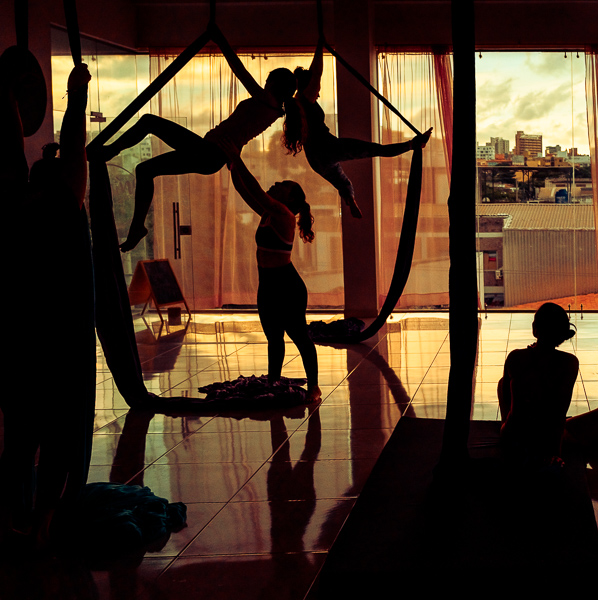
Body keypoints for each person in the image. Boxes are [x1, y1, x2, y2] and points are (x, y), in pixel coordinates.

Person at [95, 24, 302, 252]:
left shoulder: (267, 101)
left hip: (209, 154)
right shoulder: (273, 111)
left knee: (148, 121)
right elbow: (241, 134)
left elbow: (239, 70)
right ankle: (137, 228)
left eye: (267, 82)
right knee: (145, 169)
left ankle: (109, 152)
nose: (263, 85)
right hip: (210, 154)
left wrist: (219, 39)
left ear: (272, 84)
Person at [0, 57, 94, 546]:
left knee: (32, 432)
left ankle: (34, 519)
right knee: (33, 433)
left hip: (35, 333)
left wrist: (73, 93)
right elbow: (27, 147)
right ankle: (31, 518)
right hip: (40, 334)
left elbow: (50, 144)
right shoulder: (46, 200)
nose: (47, 158)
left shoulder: (42, 200)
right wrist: (72, 93)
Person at [294, 35, 432, 219]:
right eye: (316, 88)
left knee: (343, 180)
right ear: (309, 86)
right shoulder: (305, 99)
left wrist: (320, 47)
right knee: (373, 149)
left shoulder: (297, 102)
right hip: (326, 148)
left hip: (316, 159)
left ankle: (350, 199)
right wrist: (320, 47)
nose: (318, 93)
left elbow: (313, 74)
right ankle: (412, 145)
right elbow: (316, 74)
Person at [228, 156, 322, 403]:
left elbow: (256, 191)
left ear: (289, 199)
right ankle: (273, 384)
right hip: (268, 285)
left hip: (287, 286)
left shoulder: (283, 214)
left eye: (282, 184)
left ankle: (314, 387)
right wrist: (231, 167)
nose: (275, 184)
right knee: (273, 338)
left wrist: (237, 159)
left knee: (299, 335)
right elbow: (245, 191)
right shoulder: (268, 213)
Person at [498, 303, 598, 470]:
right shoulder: (568, 362)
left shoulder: (516, 357)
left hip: (516, 433)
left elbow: (510, 403)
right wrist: (554, 454)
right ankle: (575, 439)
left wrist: (507, 432)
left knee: (503, 383)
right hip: (540, 436)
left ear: (535, 329)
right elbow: (558, 413)